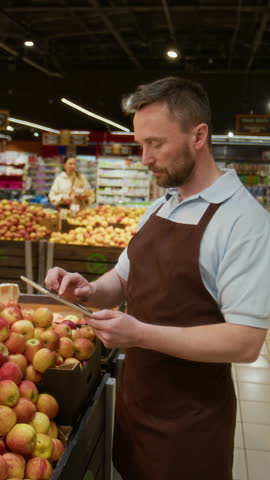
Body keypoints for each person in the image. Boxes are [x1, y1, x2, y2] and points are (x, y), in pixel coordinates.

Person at [45, 76, 270, 480]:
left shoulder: (245, 222)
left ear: (198, 135)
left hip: (190, 426)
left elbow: (245, 341)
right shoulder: (160, 206)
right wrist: (90, 288)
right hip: (137, 407)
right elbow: (124, 279)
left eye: (156, 144)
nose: (144, 158)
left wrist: (140, 334)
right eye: (140, 144)